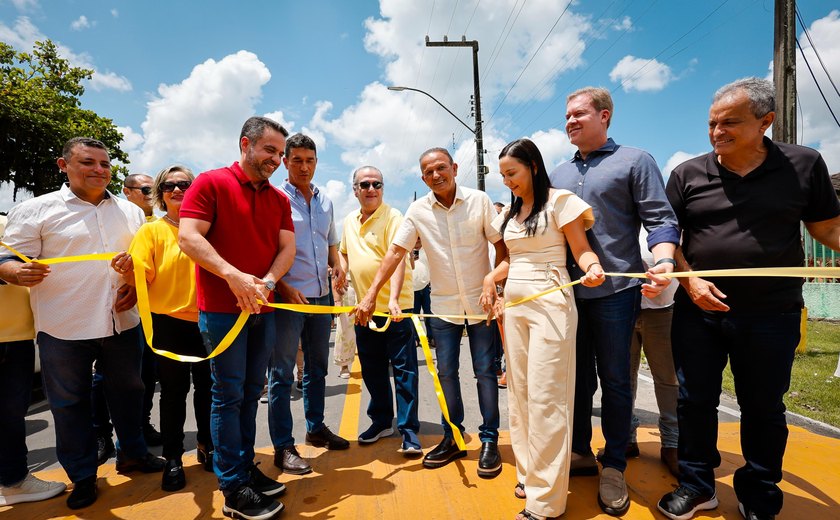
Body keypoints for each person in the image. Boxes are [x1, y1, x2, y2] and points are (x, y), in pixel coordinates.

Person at [657, 78, 840, 520]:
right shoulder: (688, 173)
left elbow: (826, 228)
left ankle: (759, 490)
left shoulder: (804, 165)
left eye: (729, 123)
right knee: (694, 399)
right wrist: (687, 280)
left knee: (763, 405)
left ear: (766, 122)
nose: (717, 132)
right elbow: (669, 233)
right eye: (712, 123)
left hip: (772, 312)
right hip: (698, 311)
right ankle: (698, 484)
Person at [0, 137, 164, 511]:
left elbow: (143, 263)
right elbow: (6, 258)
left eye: (105, 164)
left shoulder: (130, 212)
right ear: (63, 165)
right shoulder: (36, 210)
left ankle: (133, 454)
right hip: (64, 327)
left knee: (130, 392)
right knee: (69, 404)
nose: (99, 170)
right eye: (88, 162)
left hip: (122, 323)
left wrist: (137, 288)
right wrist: (14, 272)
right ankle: (83, 476)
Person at [548, 86, 679, 516]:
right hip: (568, 295)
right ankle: (581, 452)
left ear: (605, 116)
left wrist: (662, 262)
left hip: (617, 296)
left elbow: (660, 219)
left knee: (618, 381)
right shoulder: (557, 176)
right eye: (567, 115)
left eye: (579, 114)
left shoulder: (636, 161)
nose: (570, 121)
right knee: (576, 381)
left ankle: (615, 465)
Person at [355, 148, 507, 478]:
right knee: (446, 373)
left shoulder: (479, 201)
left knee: (485, 372)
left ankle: (489, 440)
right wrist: (369, 296)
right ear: (422, 178)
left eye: (441, 168)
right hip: (443, 307)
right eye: (428, 171)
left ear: (454, 168)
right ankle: (453, 437)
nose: (436, 175)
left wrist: (495, 282)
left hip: (481, 304)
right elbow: (396, 252)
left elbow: (500, 244)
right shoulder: (418, 210)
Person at [178, 117, 295, 520]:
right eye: (269, 150)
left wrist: (267, 280)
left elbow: (286, 249)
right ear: (245, 143)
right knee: (227, 395)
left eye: (280, 153)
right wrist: (233, 276)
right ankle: (232, 487)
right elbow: (189, 237)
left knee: (249, 393)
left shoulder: (279, 200)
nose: (276, 160)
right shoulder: (210, 184)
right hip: (223, 313)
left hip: (263, 310)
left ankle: (245, 469)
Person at [481, 138, 604, 520]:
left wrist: (592, 268)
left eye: (512, 173)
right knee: (520, 394)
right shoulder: (512, 214)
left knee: (548, 396)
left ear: (533, 166)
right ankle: (531, 474)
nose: (508, 182)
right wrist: (491, 279)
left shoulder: (560, 202)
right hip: (515, 309)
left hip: (551, 304)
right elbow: (513, 261)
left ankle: (546, 503)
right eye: (502, 176)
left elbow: (580, 249)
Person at [122, 165, 213, 492]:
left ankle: (208, 446)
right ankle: (174, 457)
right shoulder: (151, 231)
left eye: (184, 184)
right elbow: (140, 276)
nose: (177, 190)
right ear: (160, 193)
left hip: (209, 323)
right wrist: (127, 271)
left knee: (209, 391)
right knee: (174, 394)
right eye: (169, 186)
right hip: (169, 325)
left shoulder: (207, 228)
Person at [267, 133, 348, 480]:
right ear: (284, 162)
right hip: (287, 299)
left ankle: (316, 428)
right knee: (282, 374)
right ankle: (283, 446)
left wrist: (337, 263)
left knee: (318, 369)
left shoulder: (325, 200)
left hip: (320, 297)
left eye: (310, 160)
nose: (304, 166)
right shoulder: (273, 199)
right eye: (296, 160)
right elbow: (265, 252)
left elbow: (330, 242)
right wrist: (282, 287)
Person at [339, 166, 421, 455]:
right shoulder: (349, 220)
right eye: (365, 184)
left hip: (394, 308)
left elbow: (398, 258)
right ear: (355, 189)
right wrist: (341, 270)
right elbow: (345, 251)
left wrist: (394, 298)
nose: (371, 189)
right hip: (363, 307)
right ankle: (382, 420)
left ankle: (409, 430)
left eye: (377, 184)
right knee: (372, 368)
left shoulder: (394, 217)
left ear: (383, 188)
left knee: (404, 369)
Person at [92, 172, 162, 459]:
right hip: (115, 311)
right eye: (146, 189)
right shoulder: (115, 220)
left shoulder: (158, 224)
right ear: (127, 190)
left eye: (153, 189)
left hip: (150, 314)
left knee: (143, 376)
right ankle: (100, 434)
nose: (151, 194)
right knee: (103, 377)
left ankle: (140, 427)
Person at [0, 214, 67, 506]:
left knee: (10, 415)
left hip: (16, 335)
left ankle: (13, 482)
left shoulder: (9, 222)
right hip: (14, 336)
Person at [626, 229, 679, 478]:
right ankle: (626, 437)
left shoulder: (668, 222)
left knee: (667, 378)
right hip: (624, 307)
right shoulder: (621, 214)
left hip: (663, 309)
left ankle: (672, 444)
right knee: (623, 377)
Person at [410, 238, 433, 348]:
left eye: (419, 237)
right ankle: (415, 338)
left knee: (429, 313)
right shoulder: (407, 250)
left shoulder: (428, 250)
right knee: (415, 315)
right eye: (416, 237)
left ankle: (431, 337)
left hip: (426, 287)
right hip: (412, 288)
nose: (417, 240)